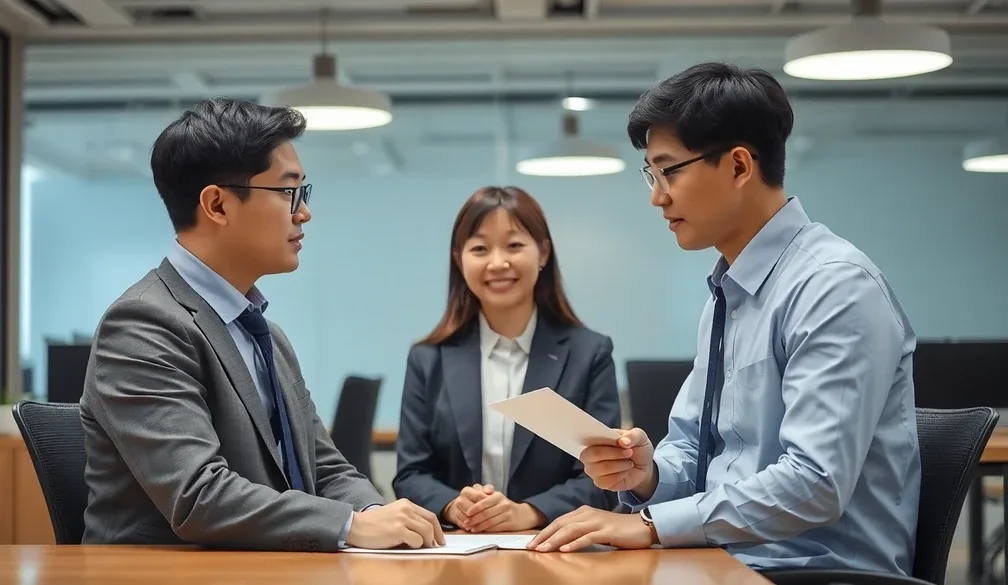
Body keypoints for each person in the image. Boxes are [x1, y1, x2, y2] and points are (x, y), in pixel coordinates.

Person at [527, 62, 920, 576]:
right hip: (727, 560)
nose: (656, 196)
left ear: (738, 166)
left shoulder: (834, 287)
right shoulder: (726, 291)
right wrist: (646, 476)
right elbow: (696, 449)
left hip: (817, 571)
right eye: (651, 174)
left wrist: (649, 525)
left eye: (669, 171)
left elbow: (816, 484)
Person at [79, 98, 444, 552]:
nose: (303, 212)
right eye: (288, 192)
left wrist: (374, 514)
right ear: (217, 204)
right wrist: (350, 526)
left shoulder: (265, 334)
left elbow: (325, 466)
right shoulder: (143, 324)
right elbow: (198, 495)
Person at [393, 186, 621, 533]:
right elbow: (411, 474)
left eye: (514, 245)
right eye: (480, 249)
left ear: (543, 252)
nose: (498, 263)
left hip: (556, 550)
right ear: (460, 259)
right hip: (457, 554)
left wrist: (528, 513)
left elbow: (604, 478)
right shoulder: (428, 358)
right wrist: (454, 506)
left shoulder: (589, 353)